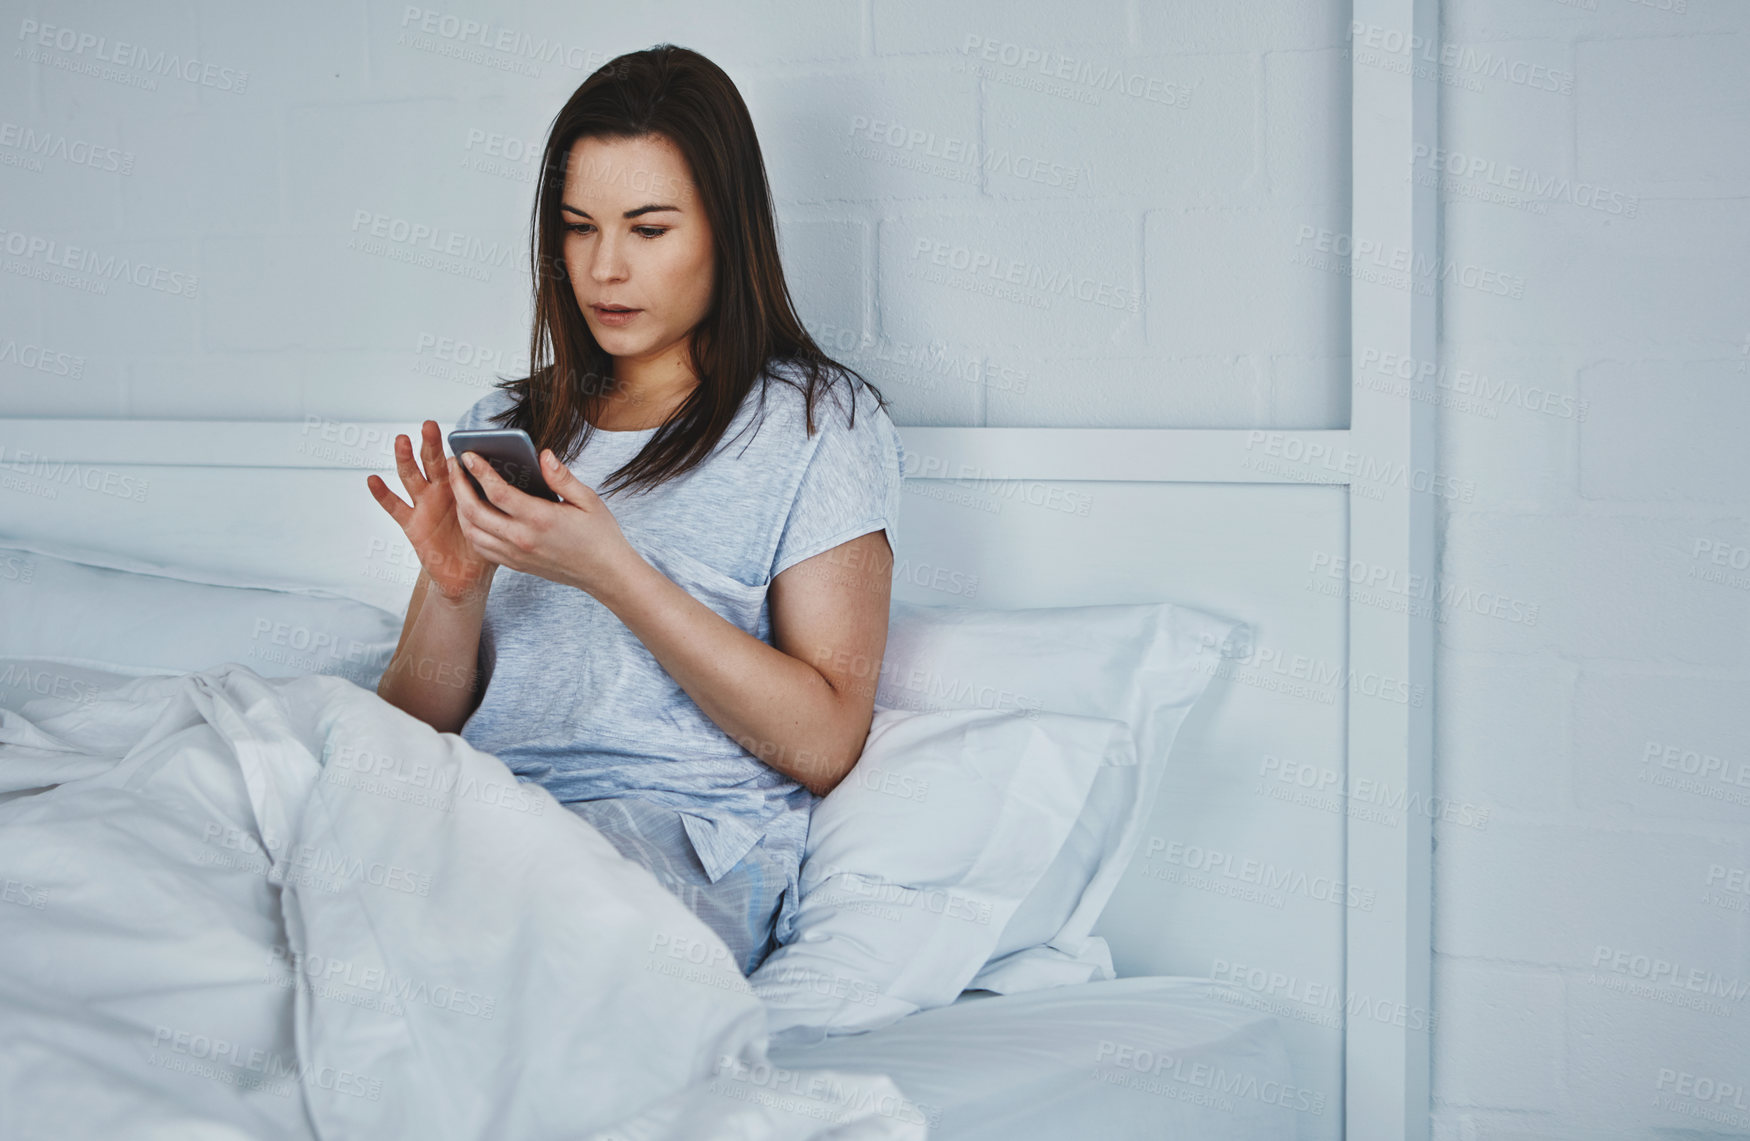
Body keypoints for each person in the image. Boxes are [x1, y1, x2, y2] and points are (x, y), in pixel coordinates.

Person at [366, 44, 905, 976]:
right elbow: (410, 733)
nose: (605, 269)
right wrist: (453, 593)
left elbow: (823, 742)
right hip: (481, 809)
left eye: (648, 230)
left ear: (725, 231)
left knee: (491, 953)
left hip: (677, 847)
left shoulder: (818, 424)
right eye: (579, 228)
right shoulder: (503, 424)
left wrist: (614, 572)